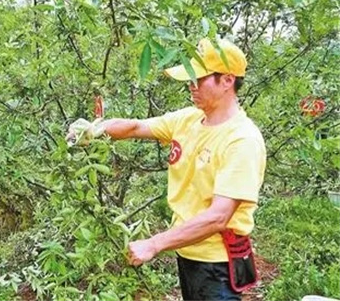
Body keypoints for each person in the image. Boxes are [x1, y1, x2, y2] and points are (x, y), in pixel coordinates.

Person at [67, 38, 266, 300]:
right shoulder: (188, 119)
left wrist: (154, 243)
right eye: (189, 79)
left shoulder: (242, 140)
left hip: (218, 263)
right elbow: (135, 127)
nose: (191, 86)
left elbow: (219, 216)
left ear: (227, 80)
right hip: (187, 253)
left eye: (199, 79)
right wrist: (93, 131)